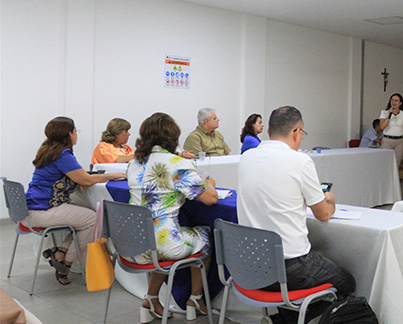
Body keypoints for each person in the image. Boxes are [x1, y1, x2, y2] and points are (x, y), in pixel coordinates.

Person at [238, 106, 355, 324]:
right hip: (289, 267)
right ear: (296, 132)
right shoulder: (300, 161)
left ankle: (280, 319)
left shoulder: (247, 158)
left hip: (248, 265)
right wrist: (329, 198)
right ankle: (285, 321)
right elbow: (323, 214)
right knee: (347, 283)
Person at [127, 112, 219, 322]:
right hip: (162, 245)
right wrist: (209, 182)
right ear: (172, 138)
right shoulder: (176, 163)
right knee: (203, 235)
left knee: (160, 237)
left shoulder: (134, 164)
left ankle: (150, 297)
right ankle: (195, 299)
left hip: (132, 245)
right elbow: (210, 199)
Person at [23, 117, 125, 285]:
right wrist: (112, 175)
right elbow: (84, 179)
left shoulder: (47, 150)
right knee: (93, 220)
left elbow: (78, 177)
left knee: (83, 218)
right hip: (44, 210)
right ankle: (65, 262)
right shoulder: (63, 154)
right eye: (75, 131)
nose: (77, 134)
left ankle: (61, 251)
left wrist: (82, 180)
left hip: (33, 207)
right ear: (69, 133)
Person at [379, 93, 403, 163]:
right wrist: (388, 117)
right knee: (385, 162)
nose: (394, 102)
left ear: (400, 103)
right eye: (392, 100)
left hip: (400, 142)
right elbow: (382, 127)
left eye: (396, 100)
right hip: (387, 140)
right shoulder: (384, 113)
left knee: (396, 163)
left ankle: (395, 174)